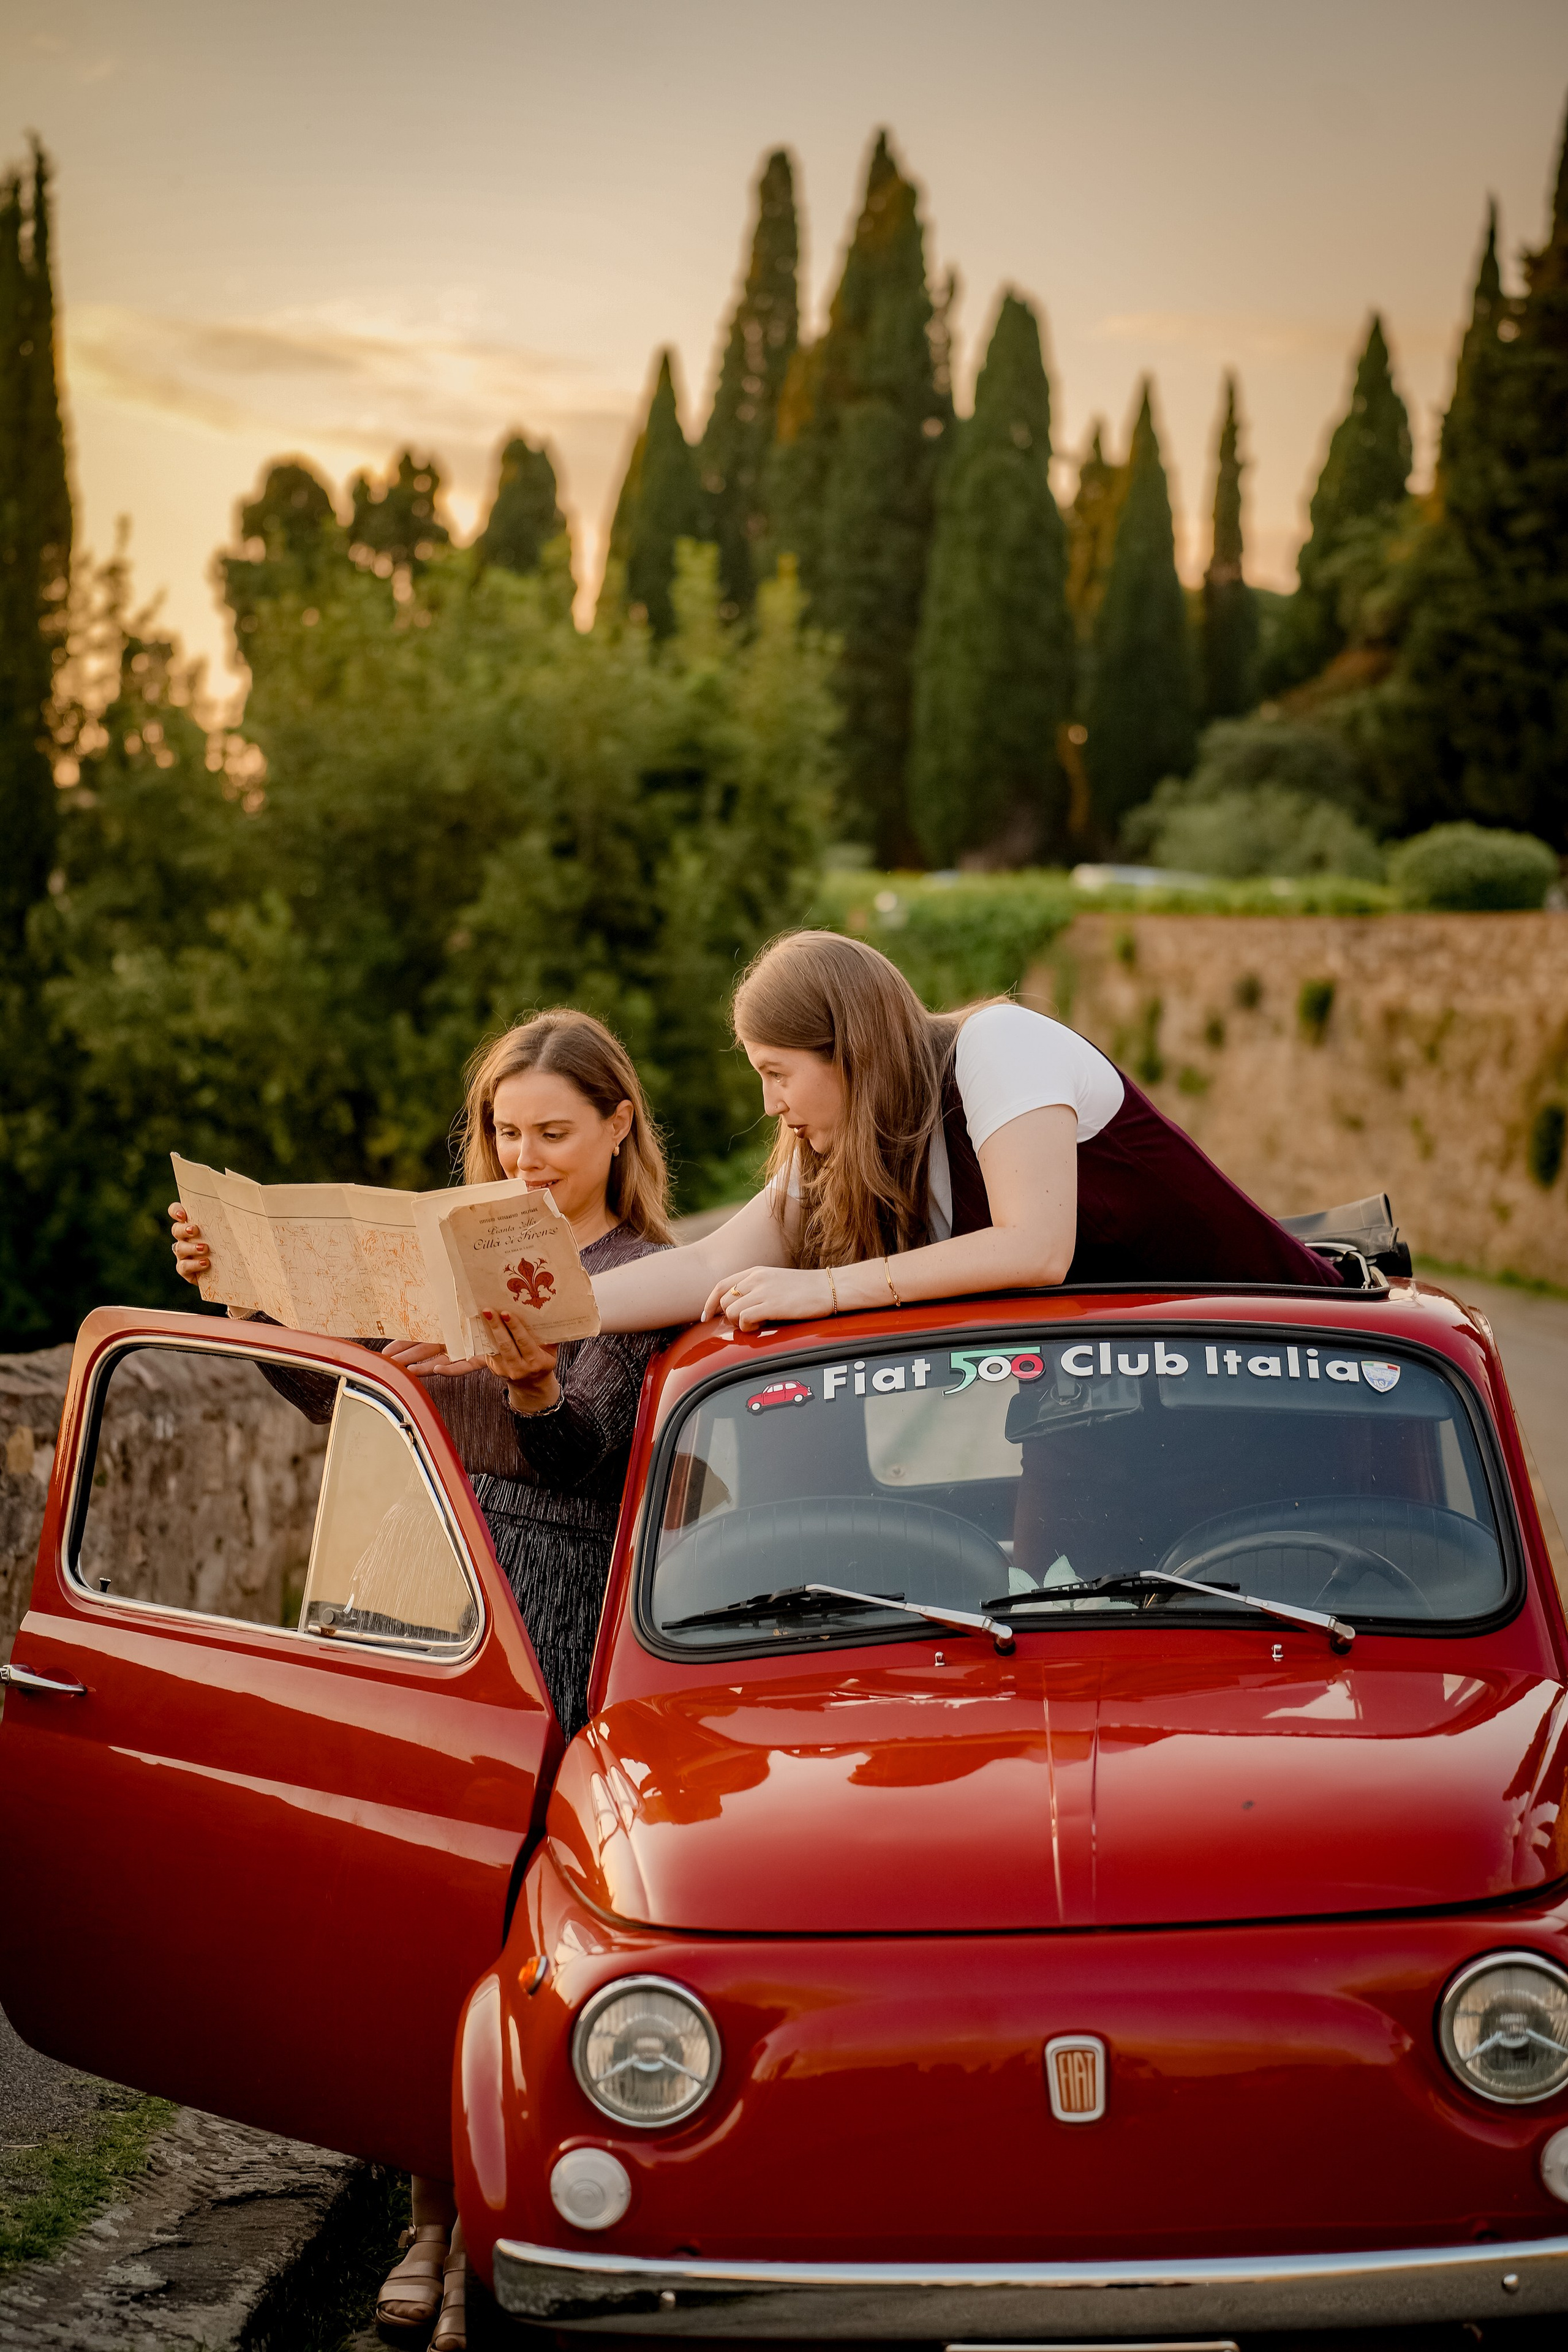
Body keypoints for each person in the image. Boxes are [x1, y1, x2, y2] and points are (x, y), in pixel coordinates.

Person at [169, 1009, 674, 2352]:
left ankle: (489, 2231)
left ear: (618, 1126)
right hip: (407, 1583)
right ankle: (425, 2222)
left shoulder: (650, 1273)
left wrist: (529, 1392)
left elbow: (601, 1469)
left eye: (552, 1134)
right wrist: (247, 1292)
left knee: (509, 1920)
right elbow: (345, 1396)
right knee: (418, 1909)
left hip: (547, 1605)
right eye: (504, 1132)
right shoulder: (449, 1246)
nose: (524, 1160)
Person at [588, 928, 1339, 1338]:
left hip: (1279, 1357)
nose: (769, 1101)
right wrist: (541, 1315)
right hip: (1108, 1387)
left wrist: (823, 1290)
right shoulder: (846, 1143)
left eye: (779, 1072)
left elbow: (1036, 1248)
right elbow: (710, 1263)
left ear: (848, 1051)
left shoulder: (999, 1046)